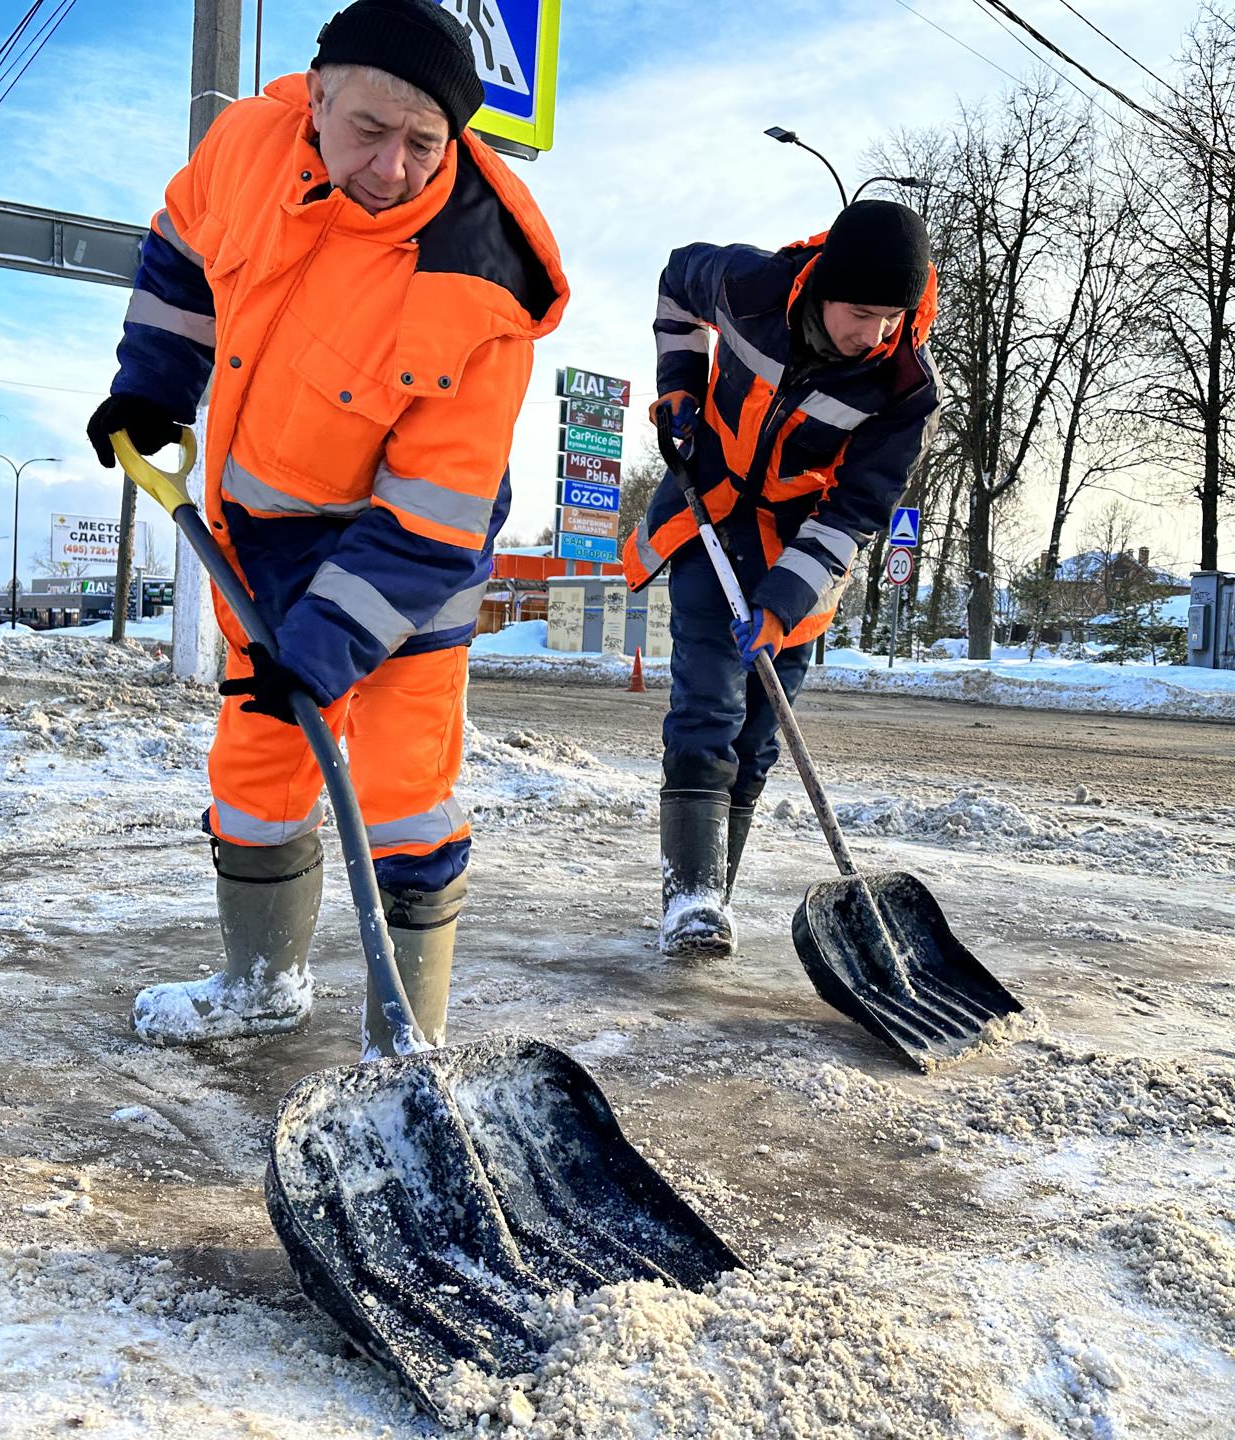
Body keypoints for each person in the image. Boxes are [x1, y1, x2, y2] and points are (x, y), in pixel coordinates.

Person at [86, 0, 567, 1055]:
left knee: (399, 785)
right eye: (369, 131)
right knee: (258, 768)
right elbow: (180, 248)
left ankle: (406, 1039)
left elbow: (433, 510)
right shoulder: (245, 147)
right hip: (265, 527)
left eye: (424, 143)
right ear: (317, 97)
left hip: (410, 552)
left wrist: (325, 649)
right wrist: (153, 385)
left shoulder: (482, 284)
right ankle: (260, 980)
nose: (393, 167)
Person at [620, 200, 941, 958]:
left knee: (762, 735)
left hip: (802, 552)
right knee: (707, 703)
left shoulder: (904, 390)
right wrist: (679, 388)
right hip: (709, 509)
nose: (875, 334)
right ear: (824, 285)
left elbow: (851, 513)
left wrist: (780, 603)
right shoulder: (748, 285)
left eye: (891, 318)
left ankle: (713, 899)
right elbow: (674, 285)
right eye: (861, 313)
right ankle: (690, 899)